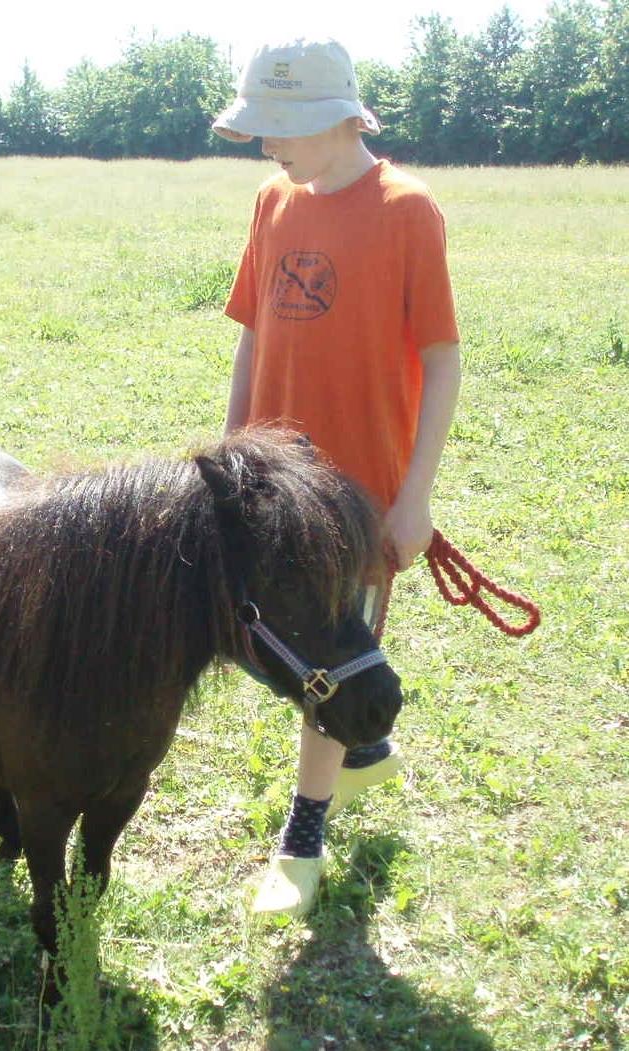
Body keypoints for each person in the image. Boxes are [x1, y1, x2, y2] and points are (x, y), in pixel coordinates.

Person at [213, 38, 461, 917]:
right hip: (272, 478)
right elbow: (251, 334)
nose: (266, 144)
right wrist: (231, 447)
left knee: (324, 654)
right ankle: (361, 749)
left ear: (337, 118)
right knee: (256, 631)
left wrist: (415, 495)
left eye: (280, 128)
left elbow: (440, 358)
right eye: (259, 129)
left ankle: (304, 830)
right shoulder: (271, 199)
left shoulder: (405, 210)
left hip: (356, 492)